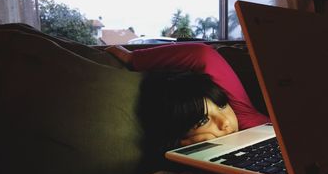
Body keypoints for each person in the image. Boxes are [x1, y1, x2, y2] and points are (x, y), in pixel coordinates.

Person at [106, 42, 270, 150]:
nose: (225, 122)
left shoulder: (243, 113)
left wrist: (134, 58)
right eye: (203, 120)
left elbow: (202, 55)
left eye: (222, 105)